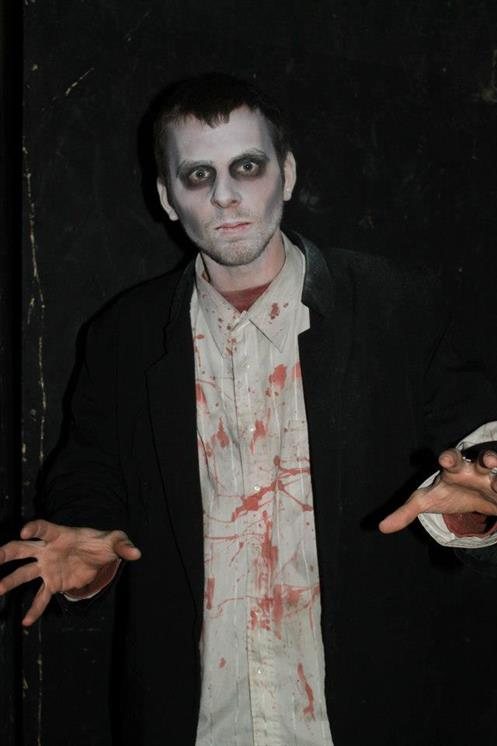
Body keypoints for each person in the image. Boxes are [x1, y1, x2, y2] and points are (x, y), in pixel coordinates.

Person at [1, 73, 497, 745]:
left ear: (286, 174)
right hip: (199, 721)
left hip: (367, 714)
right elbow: (91, 469)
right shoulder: (123, 334)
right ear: (167, 198)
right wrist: (90, 544)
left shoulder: (397, 306)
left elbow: (471, 452)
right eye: (197, 175)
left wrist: (478, 503)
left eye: (247, 166)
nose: (225, 196)